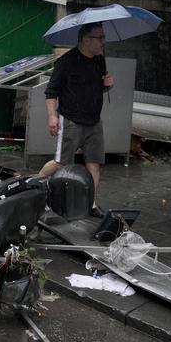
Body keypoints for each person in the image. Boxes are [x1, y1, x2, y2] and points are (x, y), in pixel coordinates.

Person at [39, 22, 113, 217]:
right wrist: (52, 117)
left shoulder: (99, 61)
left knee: (94, 163)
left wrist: (107, 85)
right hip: (71, 121)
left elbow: (97, 87)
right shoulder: (66, 62)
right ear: (86, 40)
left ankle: (91, 205)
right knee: (60, 163)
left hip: (94, 122)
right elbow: (51, 92)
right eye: (100, 38)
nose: (103, 42)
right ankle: (36, 187)